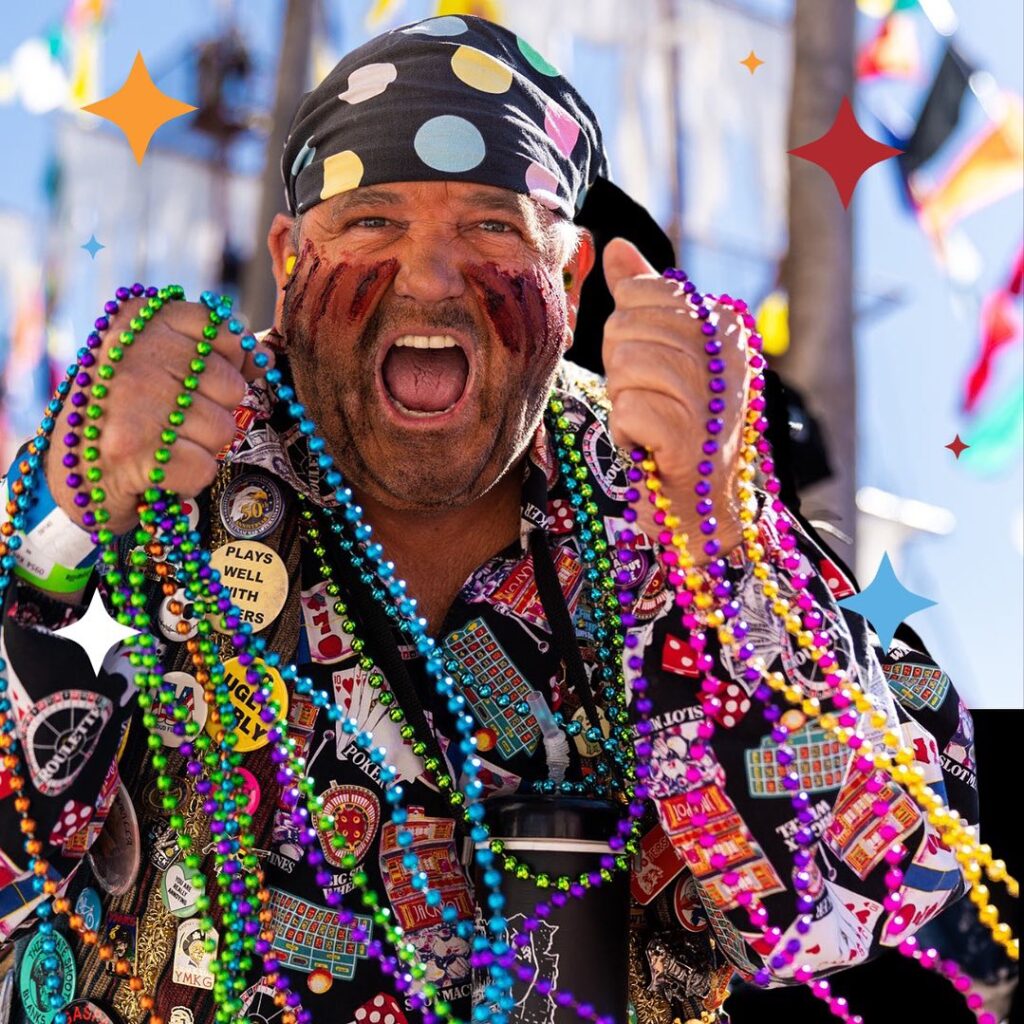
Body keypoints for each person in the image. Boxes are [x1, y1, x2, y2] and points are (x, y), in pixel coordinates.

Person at [0, 14, 980, 1024]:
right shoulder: (145, 473)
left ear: (565, 280)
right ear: (290, 261)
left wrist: (719, 553)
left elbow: (861, 904)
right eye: (373, 221)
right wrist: (65, 523)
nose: (429, 277)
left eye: (492, 227)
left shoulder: (668, 497)